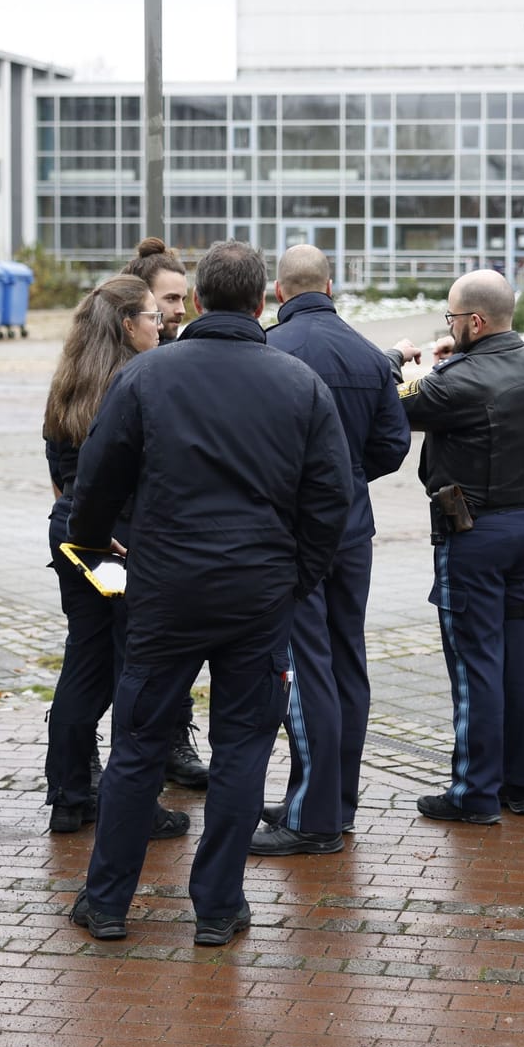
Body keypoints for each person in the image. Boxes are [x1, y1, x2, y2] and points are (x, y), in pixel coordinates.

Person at [67, 240, 351, 945]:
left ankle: (106, 902)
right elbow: (330, 502)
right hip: (257, 594)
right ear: (262, 302)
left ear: (196, 302)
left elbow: (95, 484)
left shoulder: (148, 378)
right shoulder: (299, 383)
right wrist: (296, 579)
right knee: (244, 746)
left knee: (138, 743)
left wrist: (100, 548)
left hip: (165, 590)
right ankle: (218, 907)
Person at [253, 245, 410, 855]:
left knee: (305, 665)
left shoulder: (269, 351)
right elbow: (393, 445)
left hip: (291, 533)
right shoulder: (369, 355)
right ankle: (334, 801)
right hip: (350, 527)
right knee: (346, 659)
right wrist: (345, 477)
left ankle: (312, 815)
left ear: (280, 293)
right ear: (331, 285)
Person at [398, 270, 524, 824]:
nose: (448, 325)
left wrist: (422, 364)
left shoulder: (456, 382)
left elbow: (403, 400)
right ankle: (521, 785)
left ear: (473, 321)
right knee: (521, 659)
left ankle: (473, 793)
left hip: (475, 535)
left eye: (452, 317)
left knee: (476, 666)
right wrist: (456, 357)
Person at [39, 276, 188, 841]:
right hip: (123, 542)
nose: (162, 324)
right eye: (153, 316)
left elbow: (60, 473)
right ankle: (138, 806)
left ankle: (69, 794)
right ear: (128, 325)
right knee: (135, 672)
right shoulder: (140, 383)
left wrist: (84, 527)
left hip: (74, 535)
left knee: (85, 660)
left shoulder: (69, 381)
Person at [121, 237, 210, 792]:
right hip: (129, 539)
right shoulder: (125, 371)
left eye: (182, 300)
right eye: (169, 301)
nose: (179, 311)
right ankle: (119, 762)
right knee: (120, 658)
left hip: (168, 535)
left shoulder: (178, 357)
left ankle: (174, 740)